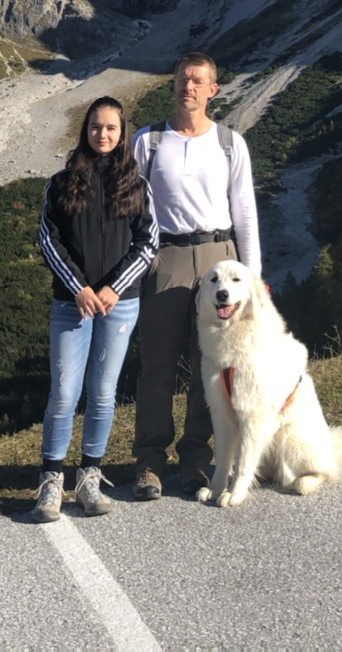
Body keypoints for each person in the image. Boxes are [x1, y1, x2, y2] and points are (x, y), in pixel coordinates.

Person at [130, 52, 261, 499]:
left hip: (220, 256)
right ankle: (149, 462)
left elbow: (245, 211)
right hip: (164, 257)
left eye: (197, 81)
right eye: (183, 79)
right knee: (158, 364)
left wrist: (254, 279)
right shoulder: (146, 142)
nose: (188, 87)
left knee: (212, 366)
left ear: (212, 90)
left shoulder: (230, 143)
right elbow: (130, 209)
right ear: (173, 85)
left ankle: (197, 461)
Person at [33, 95, 158, 522]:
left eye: (110, 128)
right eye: (94, 127)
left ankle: (89, 474)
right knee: (64, 392)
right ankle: (52, 480)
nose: (102, 134)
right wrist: (79, 287)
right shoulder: (61, 182)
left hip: (119, 306)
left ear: (122, 133)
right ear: (84, 131)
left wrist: (114, 289)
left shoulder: (137, 186)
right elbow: (48, 240)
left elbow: (149, 241)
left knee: (103, 392)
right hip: (72, 305)